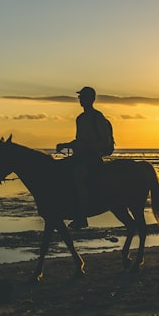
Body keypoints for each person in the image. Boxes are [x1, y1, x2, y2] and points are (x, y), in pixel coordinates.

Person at [56, 86, 114, 229]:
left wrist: (87, 147)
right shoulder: (80, 118)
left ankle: (81, 217)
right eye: (80, 97)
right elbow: (78, 141)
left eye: (83, 97)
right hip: (80, 156)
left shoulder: (97, 117)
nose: (80, 99)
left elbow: (105, 142)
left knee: (78, 176)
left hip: (92, 158)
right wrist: (66, 145)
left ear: (91, 99)